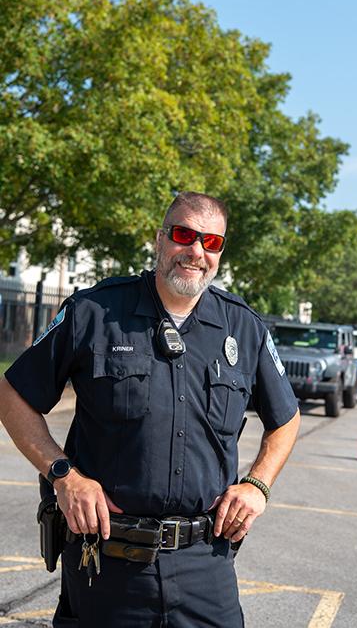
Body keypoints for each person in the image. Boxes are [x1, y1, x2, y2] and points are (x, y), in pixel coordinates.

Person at [0, 191, 300, 628]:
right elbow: (13, 396)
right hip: (104, 564)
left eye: (211, 242)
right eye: (183, 235)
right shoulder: (94, 311)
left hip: (206, 566)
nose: (196, 251)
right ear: (160, 239)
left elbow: (286, 419)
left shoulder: (243, 326)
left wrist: (258, 484)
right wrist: (64, 476)